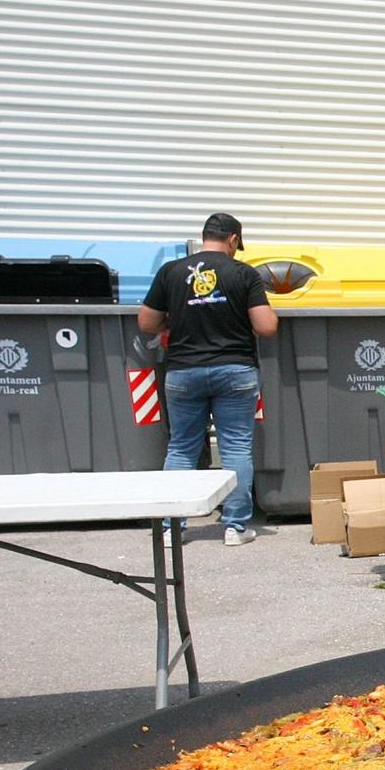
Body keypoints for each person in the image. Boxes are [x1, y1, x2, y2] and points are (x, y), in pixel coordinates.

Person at [138, 213, 277, 545]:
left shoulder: (171, 272)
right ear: (232, 240)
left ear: (204, 237)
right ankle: (235, 527)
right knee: (236, 447)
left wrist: (170, 323)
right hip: (235, 370)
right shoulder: (243, 274)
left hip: (184, 371)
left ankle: (173, 529)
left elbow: (146, 323)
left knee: (182, 449)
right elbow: (266, 327)